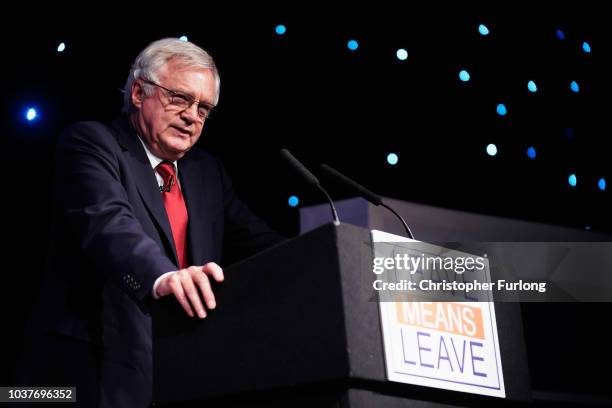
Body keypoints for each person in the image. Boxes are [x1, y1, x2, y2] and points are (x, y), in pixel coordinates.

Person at [15, 38, 283, 407]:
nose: (192, 116)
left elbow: (260, 241)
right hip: (82, 375)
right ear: (140, 92)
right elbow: (109, 224)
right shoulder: (92, 143)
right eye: (179, 98)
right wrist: (162, 276)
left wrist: (336, 254)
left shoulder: (207, 172)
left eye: (204, 108)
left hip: (183, 373)